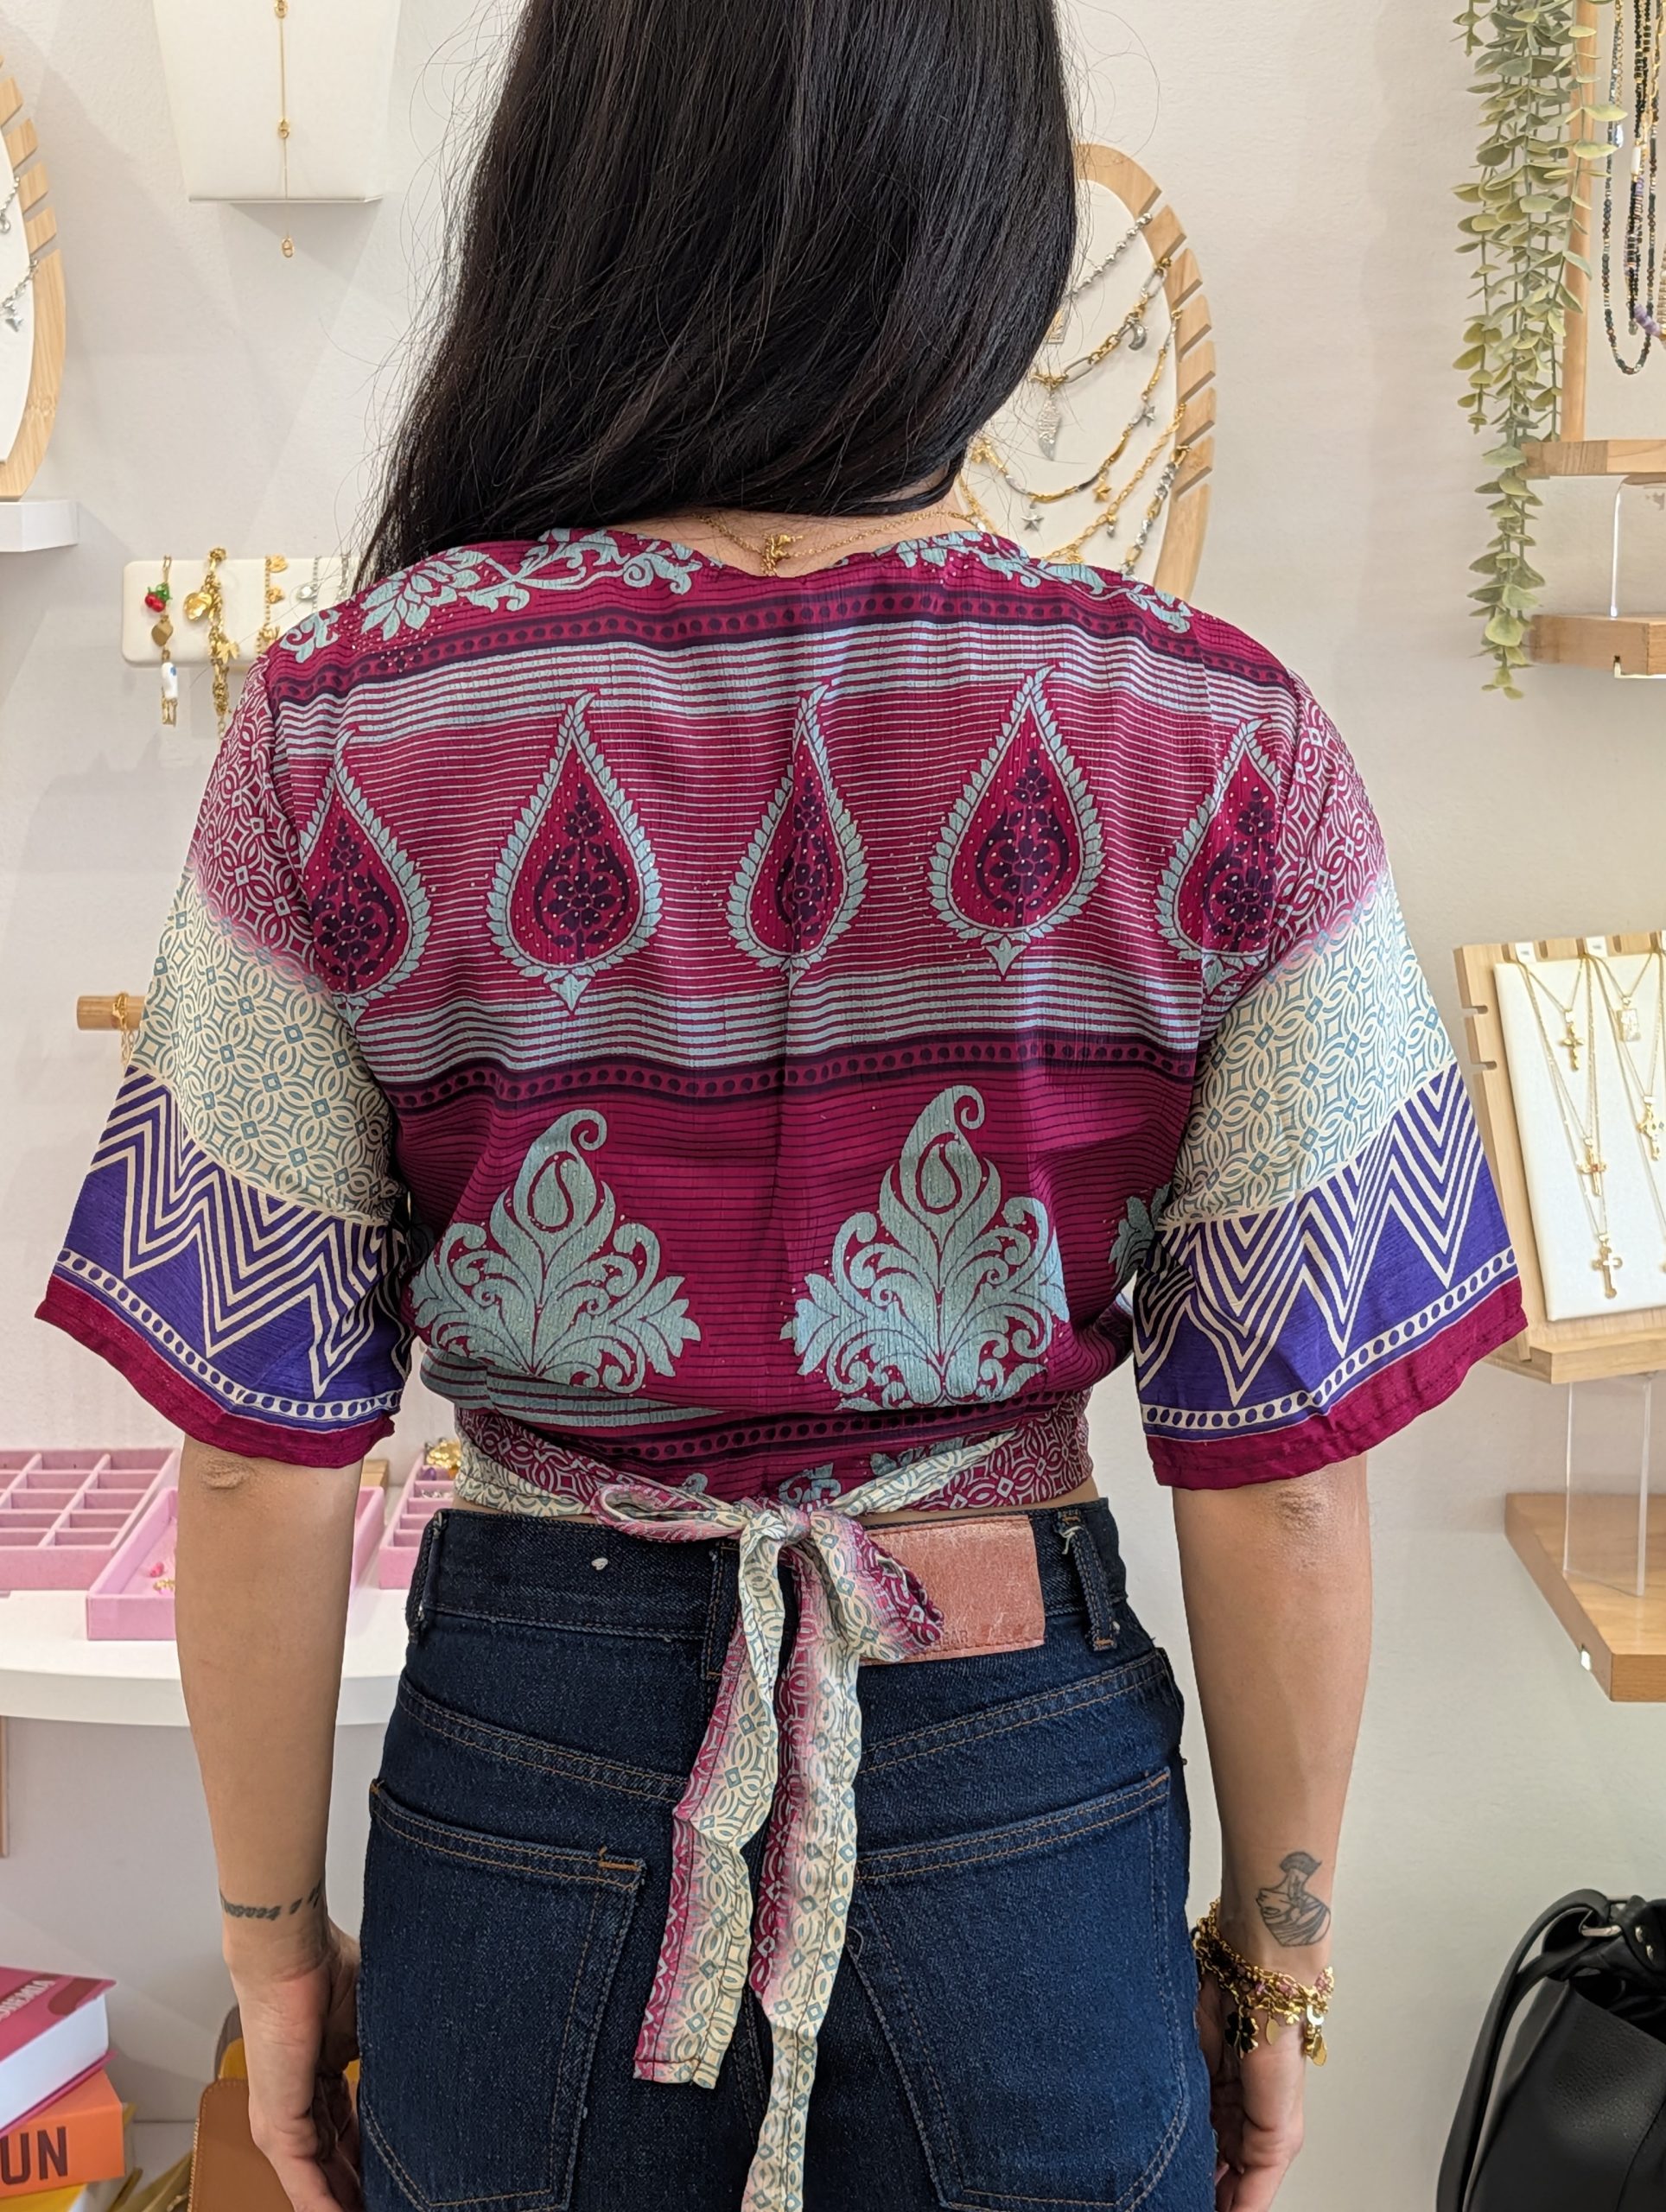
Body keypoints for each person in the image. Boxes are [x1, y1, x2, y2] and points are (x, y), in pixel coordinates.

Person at [40, 2, 1525, 2208]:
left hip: (524, 1773)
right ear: (990, 224)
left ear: (575, 192)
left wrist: (274, 1952)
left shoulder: (340, 729)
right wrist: (1276, 1969)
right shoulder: (1224, 741)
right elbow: (1285, 1480)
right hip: (1015, 1784)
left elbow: (259, 1458)